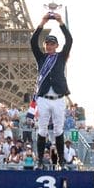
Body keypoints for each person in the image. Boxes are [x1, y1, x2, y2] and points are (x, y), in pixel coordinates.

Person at [30, 12, 73, 169]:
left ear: (56, 46)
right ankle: (40, 160)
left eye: (52, 44)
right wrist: (42, 23)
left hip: (58, 98)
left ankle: (61, 161)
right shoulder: (41, 58)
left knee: (58, 130)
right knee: (42, 130)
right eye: (47, 44)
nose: (49, 46)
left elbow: (69, 40)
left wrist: (61, 22)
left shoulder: (61, 57)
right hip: (43, 99)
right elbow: (33, 41)